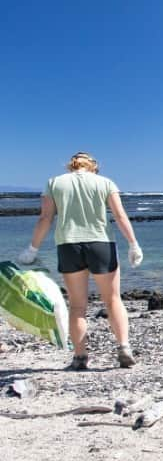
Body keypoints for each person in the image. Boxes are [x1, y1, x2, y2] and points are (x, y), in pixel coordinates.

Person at [18, 152, 143, 369]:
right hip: (101, 244)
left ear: (71, 166)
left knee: (77, 306)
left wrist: (33, 248)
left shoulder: (54, 182)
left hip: (68, 245)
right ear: (94, 166)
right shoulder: (105, 183)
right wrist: (133, 244)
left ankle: (80, 357)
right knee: (113, 300)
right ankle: (123, 347)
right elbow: (120, 215)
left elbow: (45, 218)